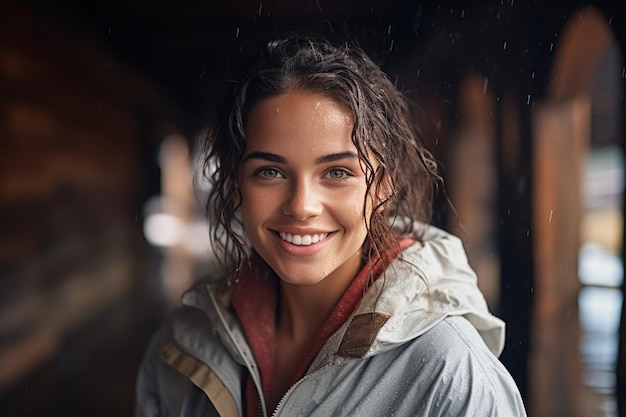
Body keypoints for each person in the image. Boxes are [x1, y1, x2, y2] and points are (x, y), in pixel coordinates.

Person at [135, 35, 527, 417]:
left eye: (337, 172)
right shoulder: (181, 348)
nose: (302, 206)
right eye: (270, 171)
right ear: (235, 185)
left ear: (384, 187)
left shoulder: (450, 374)